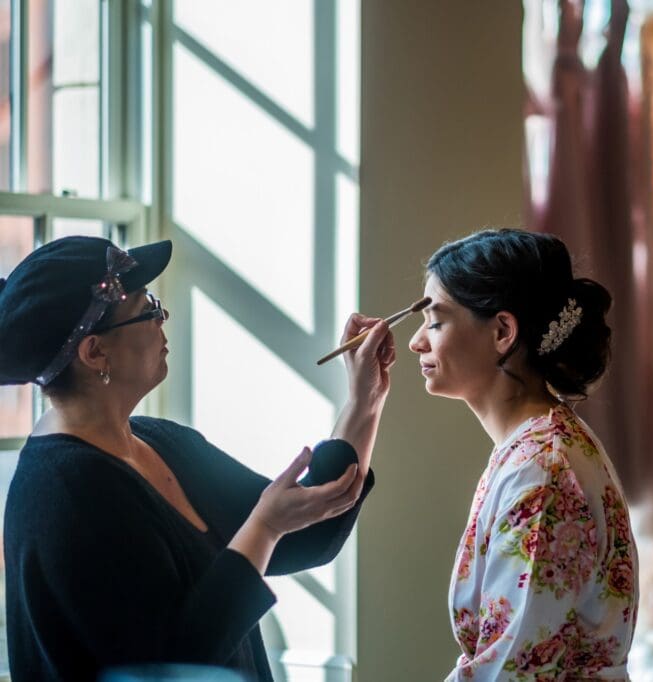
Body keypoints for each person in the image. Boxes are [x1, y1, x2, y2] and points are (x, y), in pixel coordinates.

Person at [0, 236, 395, 681]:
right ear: (94, 352)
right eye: (147, 309)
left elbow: (310, 533)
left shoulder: (161, 442)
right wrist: (264, 528)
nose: (162, 318)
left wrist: (364, 400)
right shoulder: (64, 496)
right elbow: (173, 664)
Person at [409, 228, 638, 680]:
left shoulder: (541, 469)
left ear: (502, 331)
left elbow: (514, 670)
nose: (417, 341)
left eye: (435, 321)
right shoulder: (535, 448)